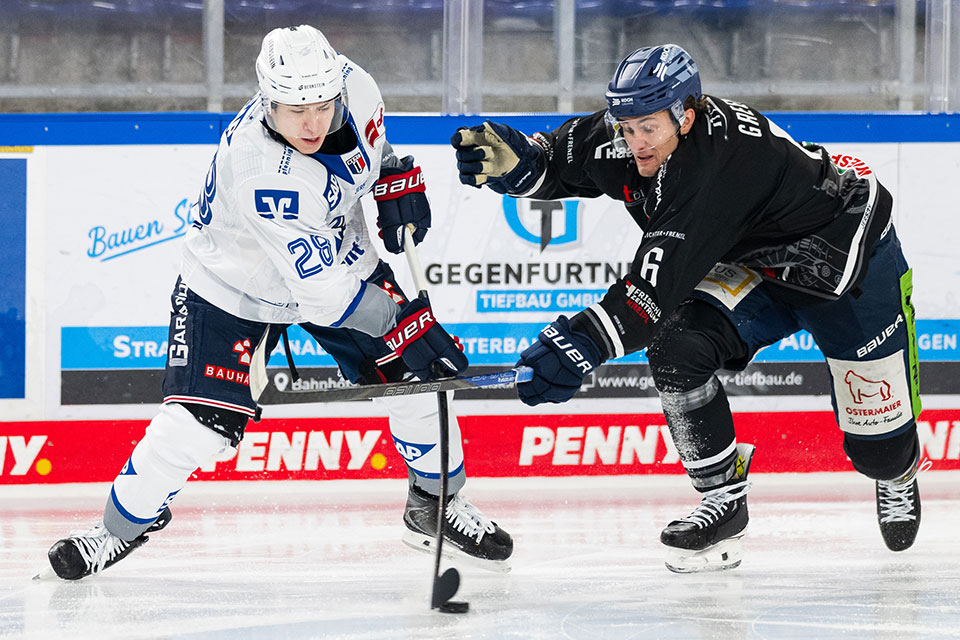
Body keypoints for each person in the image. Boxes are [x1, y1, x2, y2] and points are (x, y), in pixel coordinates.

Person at [46, 24, 512, 581]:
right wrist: (405, 321)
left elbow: (375, 148)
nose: (312, 123)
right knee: (196, 426)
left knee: (417, 381)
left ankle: (436, 507)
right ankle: (117, 531)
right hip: (233, 288)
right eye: (295, 110)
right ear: (268, 101)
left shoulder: (358, 87)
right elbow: (324, 298)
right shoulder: (264, 173)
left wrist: (395, 181)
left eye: (321, 104)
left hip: (339, 257)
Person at [451, 44, 925, 573]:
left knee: (878, 450)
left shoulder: (718, 168)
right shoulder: (636, 131)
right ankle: (723, 499)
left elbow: (651, 291)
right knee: (677, 348)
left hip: (844, 262)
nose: (635, 143)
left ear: (687, 114)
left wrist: (578, 344)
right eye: (626, 127)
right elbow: (561, 163)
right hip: (752, 259)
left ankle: (897, 473)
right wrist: (520, 165)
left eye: (648, 128)